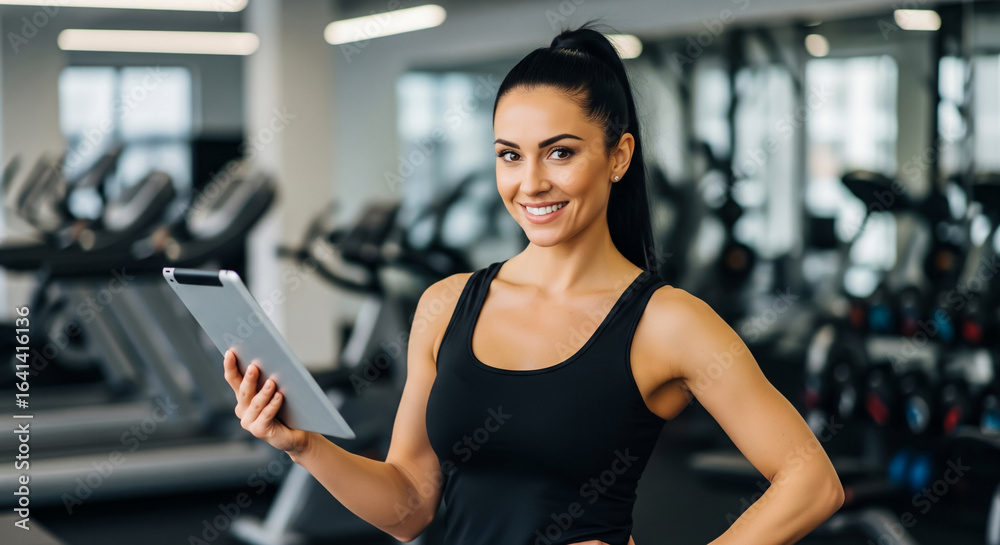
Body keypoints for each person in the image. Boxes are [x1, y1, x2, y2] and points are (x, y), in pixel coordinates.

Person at [222, 22, 844, 545]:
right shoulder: (446, 306)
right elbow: (410, 505)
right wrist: (301, 443)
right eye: (510, 154)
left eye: (561, 152)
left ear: (620, 156)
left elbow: (810, 481)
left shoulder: (666, 322)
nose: (531, 183)